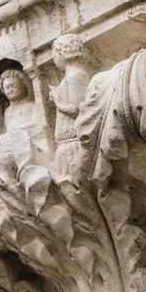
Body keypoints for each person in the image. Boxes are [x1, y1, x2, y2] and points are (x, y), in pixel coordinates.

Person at [50, 34, 92, 182]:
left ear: (61, 54)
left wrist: (56, 99)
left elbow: (77, 110)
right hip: (66, 144)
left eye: (54, 54)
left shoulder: (75, 76)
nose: (54, 59)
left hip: (74, 142)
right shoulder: (71, 76)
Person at [0, 69, 40, 133]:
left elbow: (37, 123)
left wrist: (17, 129)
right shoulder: (7, 111)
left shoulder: (33, 105)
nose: (10, 90)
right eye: (7, 87)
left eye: (14, 86)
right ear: (3, 90)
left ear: (22, 86)